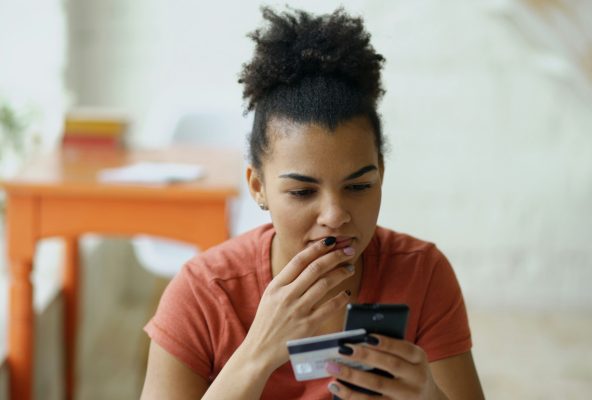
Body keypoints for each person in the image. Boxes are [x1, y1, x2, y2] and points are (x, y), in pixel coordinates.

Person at [141, 7, 485, 400]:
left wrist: (428, 395)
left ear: (382, 176)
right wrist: (257, 352)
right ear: (257, 186)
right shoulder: (203, 293)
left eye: (359, 186)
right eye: (303, 192)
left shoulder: (422, 275)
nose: (335, 216)